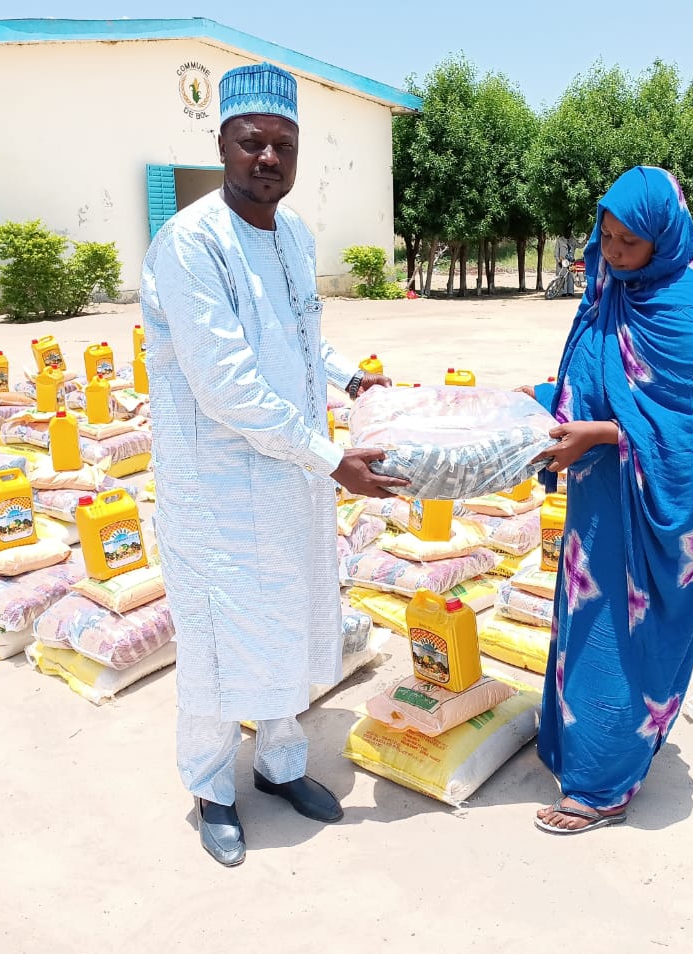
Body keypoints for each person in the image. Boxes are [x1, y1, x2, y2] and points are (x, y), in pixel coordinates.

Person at [140, 62, 405, 867]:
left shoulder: (294, 235)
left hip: (289, 473)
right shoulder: (191, 244)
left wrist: (346, 374)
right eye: (252, 142)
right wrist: (333, 458)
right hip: (216, 486)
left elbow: (300, 329)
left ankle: (283, 765)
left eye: (282, 145)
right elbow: (227, 386)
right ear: (221, 145)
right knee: (221, 642)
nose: (267, 158)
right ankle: (213, 790)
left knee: (291, 621)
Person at [530, 167, 693, 834]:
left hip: (651, 509)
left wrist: (607, 433)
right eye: (606, 235)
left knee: (623, 629)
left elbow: (691, 434)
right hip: (598, 500)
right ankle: (580, 747)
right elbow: (585, 374)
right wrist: (538, 409)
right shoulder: (606, 289)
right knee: (587, 625)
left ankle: (602, 786)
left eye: (628, 242)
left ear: (664, 239)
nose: (611, 252)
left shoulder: (687, 308)